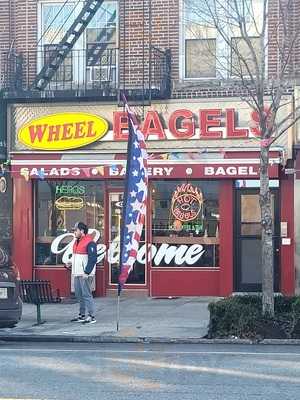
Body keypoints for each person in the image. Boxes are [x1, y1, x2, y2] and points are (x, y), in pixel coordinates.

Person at [69, 222, 97, 324]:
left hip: (85, 274)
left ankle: (91, 315)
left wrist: (87, 272)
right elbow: (78, 257)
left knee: (86, 294)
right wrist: (71, 263)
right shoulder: (77, 242)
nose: (74, 232)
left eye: (75, 230)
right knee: (79, 295)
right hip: (77, 273)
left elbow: (93, 259)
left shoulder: (90, 242)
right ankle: (82, 315)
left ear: (82, 231)